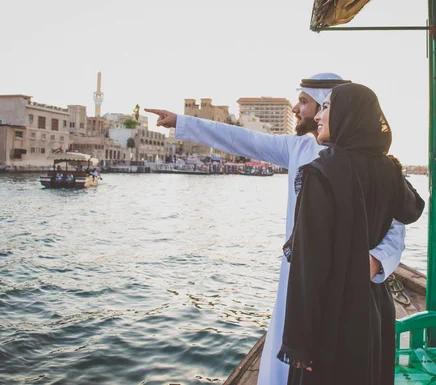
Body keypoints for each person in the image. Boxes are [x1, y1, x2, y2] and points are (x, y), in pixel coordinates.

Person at [145, 73, 409, 385]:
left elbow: (398, 226)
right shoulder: (298, 150)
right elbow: (241, 139)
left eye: (306, 102)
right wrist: (183, 122)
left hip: (355, 291)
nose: (297, 109)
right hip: (302, 283)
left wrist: (375, 262)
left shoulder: (381, 165)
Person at [278, 83, 424, 384]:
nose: (319, 115)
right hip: (373, 309)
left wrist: (299, 345)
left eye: (328, 107)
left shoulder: (322, 172)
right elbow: (411, 210)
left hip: (333, 317)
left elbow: (309, 267)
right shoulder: (390, 170)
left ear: (347, 114)